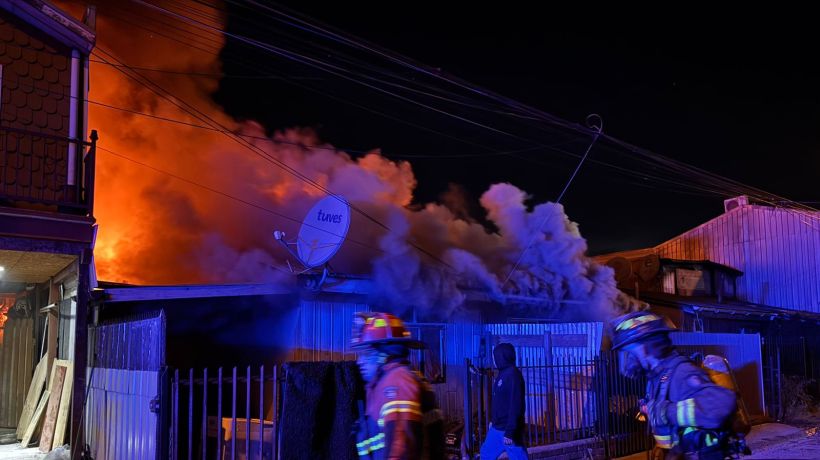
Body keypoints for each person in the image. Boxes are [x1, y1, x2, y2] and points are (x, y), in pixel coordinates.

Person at [610, 311, 737, 460]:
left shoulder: (681, 372)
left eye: (628, 351)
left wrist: (665, 411)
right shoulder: (656, 378)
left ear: (644, 347)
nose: (626, 359)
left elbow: (721, 404)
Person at [352, 312, 444, 460]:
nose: (359, 362)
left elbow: (400, 447)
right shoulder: (386, 382)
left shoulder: (397, 382)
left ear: (384, 354)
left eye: (366, 353)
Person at [480, 342, 528, 460]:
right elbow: (499, 402)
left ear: (503, 356)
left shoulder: (513, 375)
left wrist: (510, 431)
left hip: (508, 429)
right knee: (486, 453)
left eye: (496, 356)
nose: (494, 360)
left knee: (518, 456)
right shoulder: (502, 374)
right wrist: (493, 421)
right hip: (497, 428)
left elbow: (516, 404)